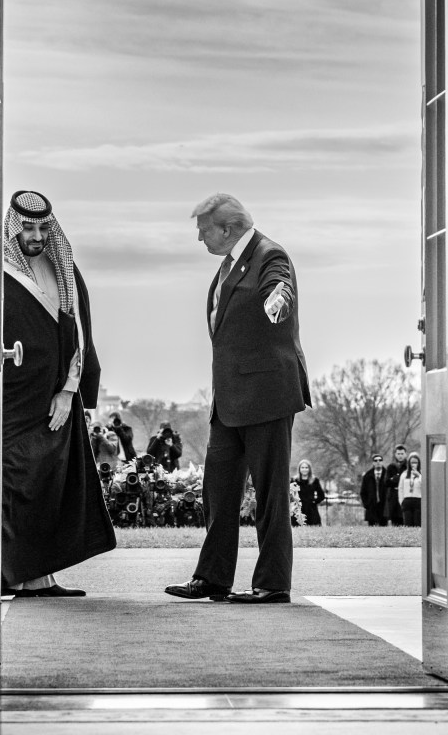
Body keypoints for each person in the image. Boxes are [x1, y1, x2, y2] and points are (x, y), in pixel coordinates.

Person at [165, 193, 310, 604]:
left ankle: (272, 583)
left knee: (271, 494)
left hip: (267, 395)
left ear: (227, 229)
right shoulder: (228, 265)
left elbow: (279, 289)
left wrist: (277, 303)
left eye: (203, 230)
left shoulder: (270, 253)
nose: (199, 239)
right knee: (219, 491)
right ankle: (212, 578)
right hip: (229, 401)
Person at [1, 190, 115, 597]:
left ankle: (40, 577)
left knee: (49, 484)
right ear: (14, 228)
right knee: (15, 483)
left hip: (55, 399)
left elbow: (78, 334)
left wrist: (69, 392)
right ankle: (14, 575)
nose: (35, 236)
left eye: (42, 228)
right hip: (12, 400)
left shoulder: (63, 268)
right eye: (27, 228)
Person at [292, 459, 326, 526]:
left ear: (309, 469)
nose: (304, 469)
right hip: (298, 510)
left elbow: (321, 495)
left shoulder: (314, 480)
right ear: (299, 469)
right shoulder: (294, 480)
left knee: (314, 530)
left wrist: (314, 502)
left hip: (311, 510)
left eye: (306, 467)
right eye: (302, 467)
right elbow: (289, 494)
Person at [359, 453, 389, 526]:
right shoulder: (367, 476)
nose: (378, 462)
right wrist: (366, 504)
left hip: (384, 507)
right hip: (371, 507)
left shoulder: (387, 474)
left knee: (384, 530)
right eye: (376, 460)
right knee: (372, 531)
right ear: (373, 462)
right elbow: (363, 492)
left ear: (382, 462)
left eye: (380, 460)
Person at [384, 444, 409, 526]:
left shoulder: (408, 467)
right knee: (395, 519)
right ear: (395, 454)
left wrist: (395, 479)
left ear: (405, 454)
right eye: (398, 454)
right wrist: (397, 479)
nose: (400, 456)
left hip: (405, 494)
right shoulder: (391, 467)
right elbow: (387, 482)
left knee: (404, 517)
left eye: (402, 454)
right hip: (393, 496)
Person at [399, 452, 422, 526]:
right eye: (412, 462)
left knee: (417, 523)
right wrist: (401, 501)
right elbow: (401, 488)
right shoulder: (404, 474)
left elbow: (424, 485)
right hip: (407, 500)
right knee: (408, 524)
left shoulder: (422, 474)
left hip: (418, 500)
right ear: (409, 463)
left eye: (416, 462)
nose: (414, 464)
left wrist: (419, 475)